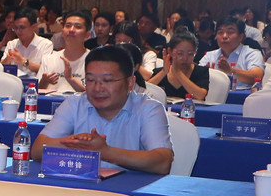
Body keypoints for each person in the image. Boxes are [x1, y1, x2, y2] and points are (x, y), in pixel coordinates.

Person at [31, 45, 173, 174]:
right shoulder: (74, 104)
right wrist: (76, 142)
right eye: (90, 80)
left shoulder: (149, 109)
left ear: (130, 83)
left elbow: (162, 163)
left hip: (130, 191)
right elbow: (36, 151)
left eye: (108, 81)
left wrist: (105, 152)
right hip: (82, 189)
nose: (98, 88)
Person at [36, 9, 91, 96]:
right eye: (68, 26)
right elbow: (36, 93)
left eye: (78, 27)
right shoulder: (49, 59)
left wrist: (70, 79)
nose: (71, 30)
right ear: (62, 31)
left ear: (87, 34)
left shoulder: (94, 61)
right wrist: (44, 81)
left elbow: (94, 95)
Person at [200, 17, 265, 86]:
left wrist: (230, 70)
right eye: (220, 32)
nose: (224, 36)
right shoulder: (210, 55)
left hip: (244, 92)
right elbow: (196, 76)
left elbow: (257, 77)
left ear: (241, 37)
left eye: (230, 32)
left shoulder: (252, 54)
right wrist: (207, 75)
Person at [149, 30, 210, 101]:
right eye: (180, 53)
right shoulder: (159, 72)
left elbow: (200, 96)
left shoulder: (201, 72)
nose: (185, 58)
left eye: (190, 54)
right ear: (170, 51)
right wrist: (163, 72)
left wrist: (178, 72)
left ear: (195, 53)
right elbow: (144, 92)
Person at [0, 10, 53, 80]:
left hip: (35, 83)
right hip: (14, 83)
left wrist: (23, 61)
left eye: (22, 27)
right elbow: (0, 68)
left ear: (34, 26)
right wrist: (7, 60)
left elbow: (46, 69)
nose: (18, 31)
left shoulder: (46, 44)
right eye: (15, 28)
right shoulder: (12, 44)